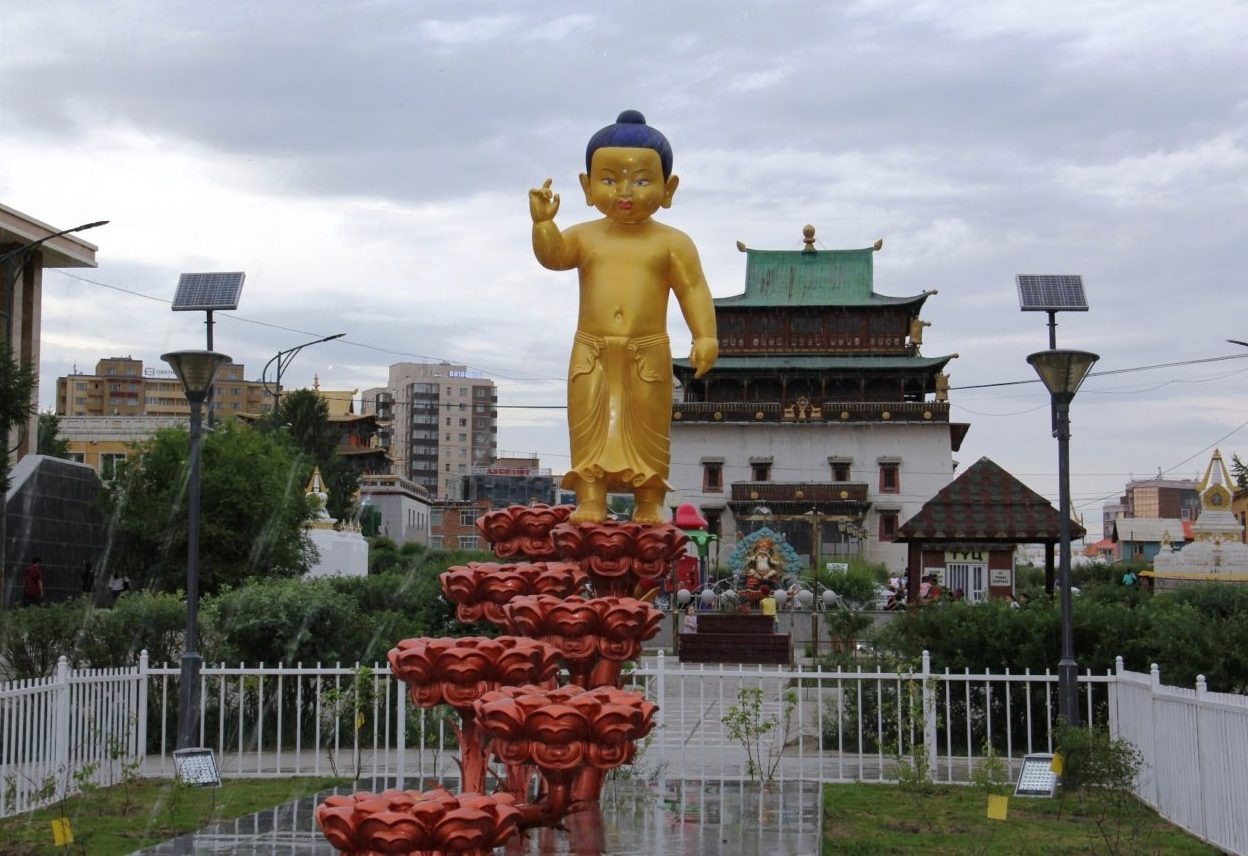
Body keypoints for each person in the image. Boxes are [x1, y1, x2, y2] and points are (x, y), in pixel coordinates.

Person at [530, 110, 718, 524]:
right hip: (591, 349)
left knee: (649, 428)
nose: (625, 191)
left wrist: (705, 335)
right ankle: (591, 497)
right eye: (610, 179)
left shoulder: (673, 242)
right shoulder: (584, 235)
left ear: (669, 189)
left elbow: (693, 288)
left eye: (643, 180)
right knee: (588, 427)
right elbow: (554, 257)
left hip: (647, 350)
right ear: (586, 185)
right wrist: (544, 224)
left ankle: (648, 499)